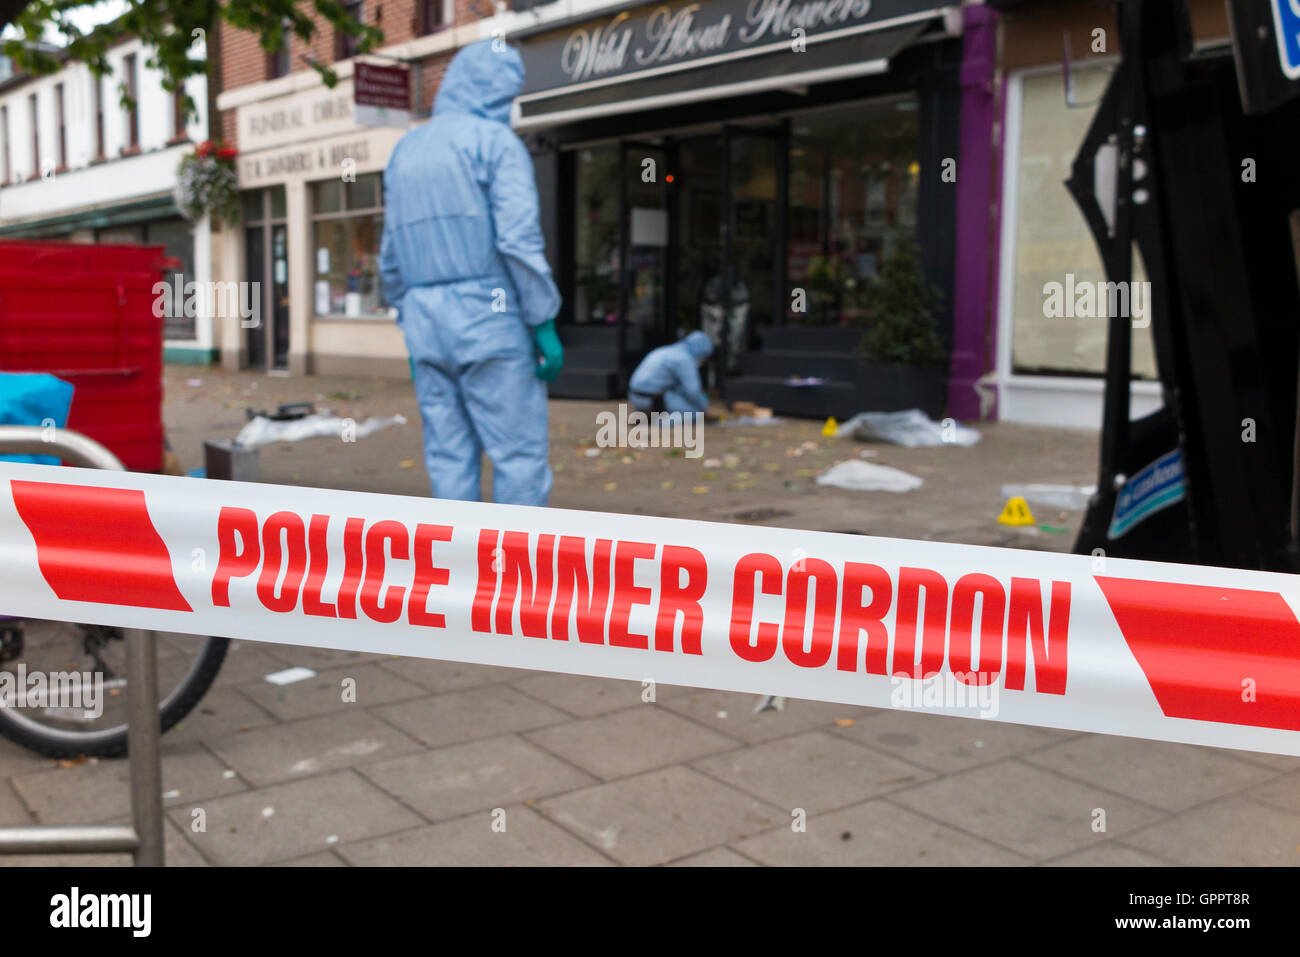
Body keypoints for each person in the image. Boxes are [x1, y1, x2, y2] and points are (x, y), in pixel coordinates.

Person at [379, 40, 563, 508]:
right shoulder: (496, 143)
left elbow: (391, 254)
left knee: (447, 456)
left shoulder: (406, 150)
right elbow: (518, 241)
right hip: (489, 320)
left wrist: (407, 317)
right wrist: (542, 320)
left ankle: (458, 568)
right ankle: (518, 572)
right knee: (518, 456)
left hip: (425, 325)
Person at [627, 331, 714, 415]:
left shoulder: (668, 350)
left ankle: (648, 413)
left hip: (634, 396)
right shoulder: (685, 359)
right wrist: (704, 406)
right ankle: (661, 420)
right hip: (652, 400)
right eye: (704, 357)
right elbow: (693, 392)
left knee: (678, 393)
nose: (703, 361)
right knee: (696, 413)